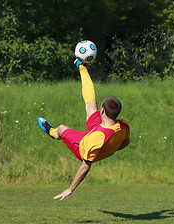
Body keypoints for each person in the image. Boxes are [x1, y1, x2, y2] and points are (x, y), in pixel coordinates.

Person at [38, 58, 130, 201]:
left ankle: (51, 132)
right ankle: (81, 67)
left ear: (103, 111)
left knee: (62, 128)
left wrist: (70, 189)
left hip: (83, 145)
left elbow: (85, 166)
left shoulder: (97, 139)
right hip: (99, 128)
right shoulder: (123, 125)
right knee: (90, 104)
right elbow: (125, 143)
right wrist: (113, 148)